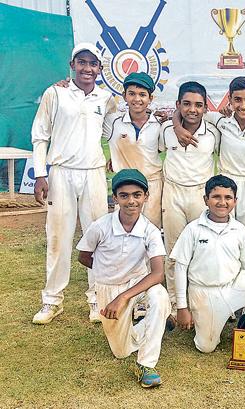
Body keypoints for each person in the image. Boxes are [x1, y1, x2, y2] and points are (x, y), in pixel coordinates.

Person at [32, 43, 116, 324]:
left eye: (93, 64)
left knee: (97, 239)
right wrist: (40, 174)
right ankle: (52, 301)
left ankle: (96, 299)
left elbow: (112, 132)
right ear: (72, 64)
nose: (87, 69)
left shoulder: (105, 99)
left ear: (100, 69)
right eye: (82, 63)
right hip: (61, 173)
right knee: (58, 237)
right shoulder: (55, 93)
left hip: (93, 173)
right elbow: (40, 135)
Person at [76, 169, 170, 388]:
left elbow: (158, 273)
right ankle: (155, 322)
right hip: (108, 288)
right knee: (121, 351)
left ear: (146, 197)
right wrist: (106, 274)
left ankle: (146, 364)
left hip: (137, 287)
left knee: (159, 295)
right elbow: (83, 256)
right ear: (115, 198)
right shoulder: (100, 226)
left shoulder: (150, 230)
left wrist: (125, 296)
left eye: (137, 195)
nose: (131, 201)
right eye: (124, 195)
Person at [170, 175, 245, 358]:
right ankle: (204, 321)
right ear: (206, 200)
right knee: (206, 347)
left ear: (235, 201)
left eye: (228, 198)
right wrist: (182, 307)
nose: (222, 202)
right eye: (216, 197)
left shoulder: (239, 229)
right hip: (204, 292)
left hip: (235, 285)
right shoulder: (193, 229)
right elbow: (180, 268)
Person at [173, 76, 245, 246]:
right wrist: (178, 127)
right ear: (230, 100)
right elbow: (181, 112)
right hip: (225, 181)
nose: (243, 105)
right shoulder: (220, 120)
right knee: (223, 233)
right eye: (237, 100)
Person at [161, 81, 220, 319]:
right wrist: (175, 124)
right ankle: (175, 303)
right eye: (186, 104)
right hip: (172, 192)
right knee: (173, 250)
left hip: (200, 194)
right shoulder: (166, 129)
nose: (192, 110)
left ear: (206, 108)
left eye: (198, 105)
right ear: (178, 105)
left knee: (201, 250)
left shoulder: (214, 131)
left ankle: (200, 300)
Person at [103, 72, 163, 228]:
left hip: (153, 185)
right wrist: (70, 85)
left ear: (151, 98)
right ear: (124, 96)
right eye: (132, 94)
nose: (137, 99)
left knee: (151, 231)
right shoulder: (113, 122)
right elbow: (88, 111)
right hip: (125, 185)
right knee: (124, 231)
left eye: (142, 94)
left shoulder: (159, 124)